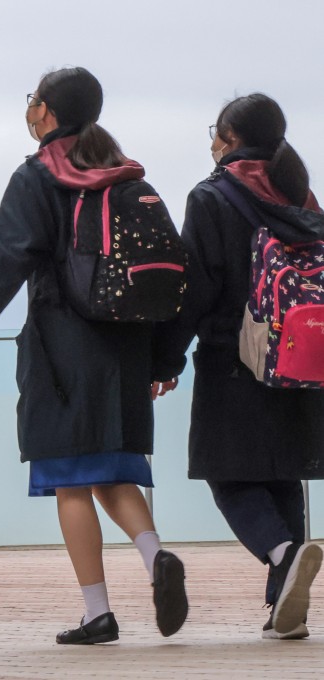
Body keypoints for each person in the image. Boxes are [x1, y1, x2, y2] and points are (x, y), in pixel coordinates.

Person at [0, 67, 187, 644]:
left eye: (32, 101)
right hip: (128, 347)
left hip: (62, 347)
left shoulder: (39, 177)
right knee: (115, 473)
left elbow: (3, 260)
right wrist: (164, 360)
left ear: (46, 112)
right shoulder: (123, 174)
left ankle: (97, 612)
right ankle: (156, 558)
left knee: (72, 482)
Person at [153, 93, 324, 640]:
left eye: (215, 131)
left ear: (229, 138)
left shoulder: (213, 196)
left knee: (226, 473)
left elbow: (194, 287)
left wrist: (164, 356)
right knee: (281, 475)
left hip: (235, 356)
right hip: (301, 356)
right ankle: (283, 608)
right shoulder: (303, 197)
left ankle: (284, 552)